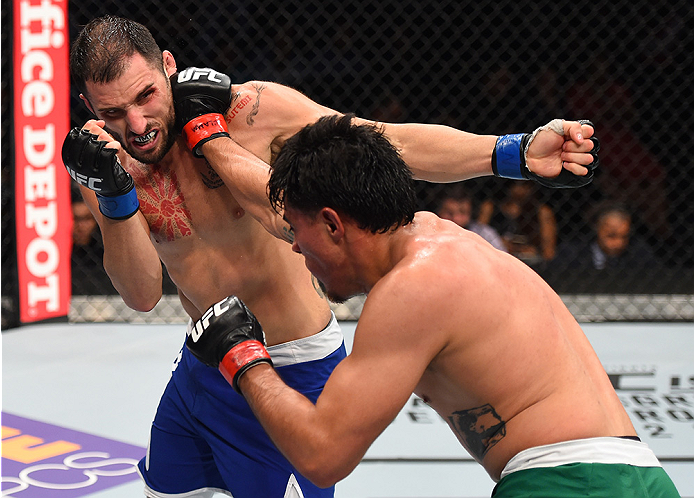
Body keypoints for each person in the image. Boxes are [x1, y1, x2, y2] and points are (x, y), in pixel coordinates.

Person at [61, 15, 599, 498]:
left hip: (292, 370)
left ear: (170, 67)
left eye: (146, 96)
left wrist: (512, 152)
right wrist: (113, 195)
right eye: (113, 110)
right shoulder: (99, 152)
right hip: (205, 363)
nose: (136, 124)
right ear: (89, 106)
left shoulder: (248, 112)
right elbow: (140, 292)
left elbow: (387, 145)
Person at [186, 115, 680, 498]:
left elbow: (322, 454)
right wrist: (213, 141)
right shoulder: (434, 240)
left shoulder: (414, 289)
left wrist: (242, 354)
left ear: (335, 224)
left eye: (297, 230)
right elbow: (363, 142)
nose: (295, 247)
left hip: (571, 484)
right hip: (632, 475)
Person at [478, 180, 557, 265]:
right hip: (494, 259)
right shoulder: (490, 207)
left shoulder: (541, 212)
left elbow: (549, 252)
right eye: (517, 184)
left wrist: (522, 249)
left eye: (528, 185)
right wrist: (498, 242)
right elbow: (478, 238)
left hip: (531, 263)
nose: (523, 189)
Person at [70, 191, 117, 295]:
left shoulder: (109, 249)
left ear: (95, 219)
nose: (81, 226)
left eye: (87, 219)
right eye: (75, 219)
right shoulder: (58, 253)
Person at [435, 184, 506, 252]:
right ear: (439, 211)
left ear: (470, 213)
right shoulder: (430, 232)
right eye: (449, 213)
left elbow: (504, 259)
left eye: (462, 212)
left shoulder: (484, 234)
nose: (456, 218)